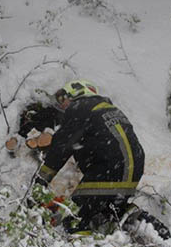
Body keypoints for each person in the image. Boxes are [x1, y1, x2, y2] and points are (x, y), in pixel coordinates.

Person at [34, 80, 145, 233]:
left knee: (75, 218)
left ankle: (82, 243)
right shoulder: (108, 109)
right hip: (132, 171)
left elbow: (60, 150)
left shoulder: (79, 109)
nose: (62, 105)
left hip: (107, 172)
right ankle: (130, 221)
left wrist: (39, 182)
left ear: (77, 93)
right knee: (104, 213)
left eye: (63, 99)